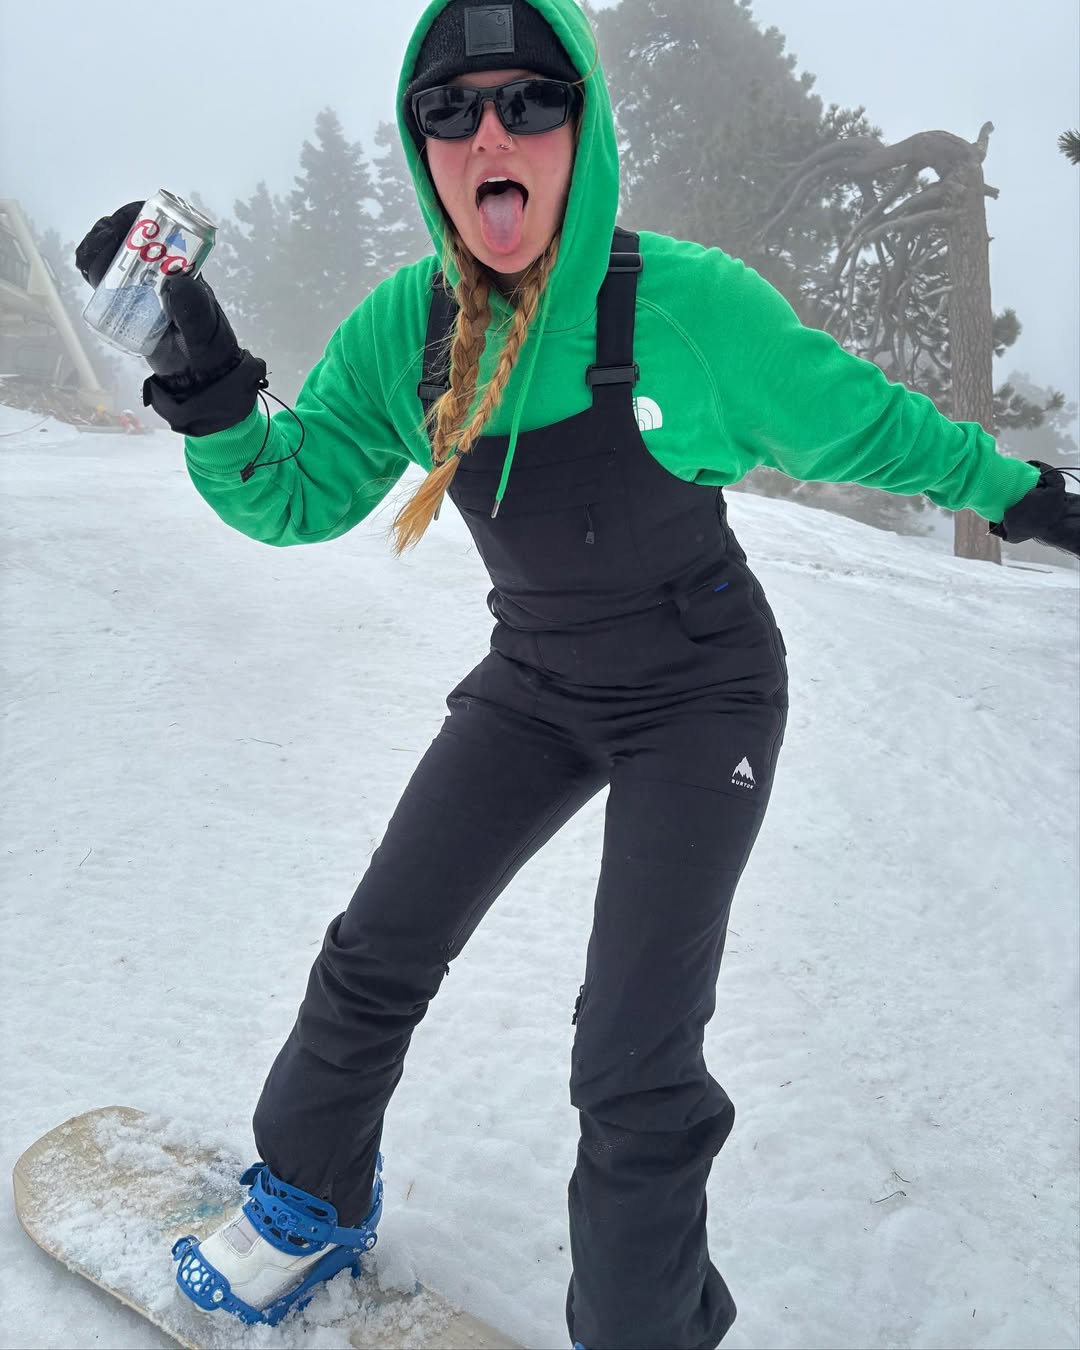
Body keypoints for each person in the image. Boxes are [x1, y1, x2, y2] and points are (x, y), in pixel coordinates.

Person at [75, 1, 1079, 1346]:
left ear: (580, 123)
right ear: (422, 145)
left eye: (529, 101)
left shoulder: (688, 307)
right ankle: (310, 1198)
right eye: (451, 109)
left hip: (702, 688)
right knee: (377, 948)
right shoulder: (410, 329)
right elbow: (297, 492)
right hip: (537, 680)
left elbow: (869, 424)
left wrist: (1026, 494)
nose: (490, 133)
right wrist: (205, 389)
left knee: (632, 1051)